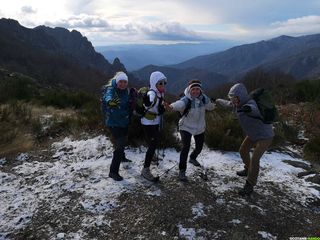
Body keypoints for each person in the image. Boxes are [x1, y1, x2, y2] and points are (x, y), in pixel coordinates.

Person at [215, 83, 274, 196]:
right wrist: (217, 100)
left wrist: (247, 109)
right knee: (243, 150)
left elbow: (254, 109)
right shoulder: (236, 104)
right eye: (232, 98)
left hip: (265, 135)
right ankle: (248, 169)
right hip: (253, 134)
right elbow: (227, 104)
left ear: (240, 97)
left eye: (234, 98)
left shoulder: (250, 104)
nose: (233, 101)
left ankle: (249, 185)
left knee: (255, 159)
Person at [165, 80, 215, 181]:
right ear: (189, 90)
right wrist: (171, 106)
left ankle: (192, 158)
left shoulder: (204, 99)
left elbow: (210, 107)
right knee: (185, 147)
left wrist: (214, 104)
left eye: (197, 89)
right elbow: (178, 104)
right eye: (193, 89)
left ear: (200, 90)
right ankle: (182, 171)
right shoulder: (186, 100)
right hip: (186, 127)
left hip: (199, 127)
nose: (195, 91)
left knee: (199, 147)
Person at [104, 72, 135, 181]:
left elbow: (128, 103)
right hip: (113, 122)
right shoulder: (112, 90)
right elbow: (108, 96)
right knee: (120, 144)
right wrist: (109, 102)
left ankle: (122, 157)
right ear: (117, 82)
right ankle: (113, 171)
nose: (122, 84)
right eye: (120, 82)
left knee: (124, 139)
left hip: (124, 121)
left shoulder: (126, 91)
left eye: (125, 82)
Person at [140, 71, 167, 181]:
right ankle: (145, 170)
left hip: (155, 121)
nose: (163, 85)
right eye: (160, 83)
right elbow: (149, 102)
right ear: (154, 83)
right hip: (148, 123)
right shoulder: (152, 93)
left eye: (164, 83)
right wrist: (146, 101)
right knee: (153, 144)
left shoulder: (160, 93)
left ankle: (150, 158)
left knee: (154, 143)